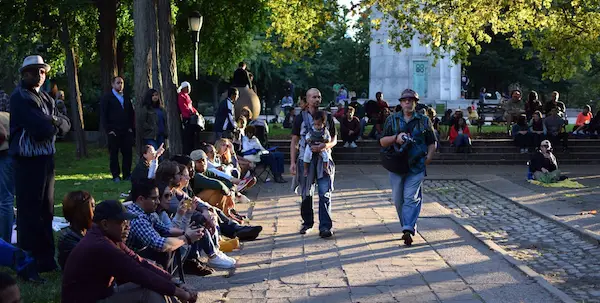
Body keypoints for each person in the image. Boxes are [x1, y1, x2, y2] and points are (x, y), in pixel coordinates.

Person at [61, 200, 198, 303]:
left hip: (101, 294)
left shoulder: (108, 238)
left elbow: (141, 263)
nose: (127, 225)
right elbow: (139, 273)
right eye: (122, 222)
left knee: (157, 285)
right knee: (148, 293)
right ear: (105, 224)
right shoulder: (102, 246)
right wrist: (179, 292)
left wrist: (176, 283)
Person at [10, 55, 70, 273]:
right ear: (24, 74)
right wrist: (53, 122)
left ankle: (46, 259)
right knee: (29, 212)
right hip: (27, 161)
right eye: (34, 71)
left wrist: (52, 122)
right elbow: (40, 130)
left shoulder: (46, 98)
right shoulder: (19, 97)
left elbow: (66, 124)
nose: (39, 75)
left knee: (47, 210)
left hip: (46, 160)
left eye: (42, 71)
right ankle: (28, 260)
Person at [379, 89, 436, 246]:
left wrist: (429, 157)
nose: (408, 102)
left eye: (411, 100)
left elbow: (432, 141)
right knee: (398, 200)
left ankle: (408, 229)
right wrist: (395, 138)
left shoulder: (424, 120)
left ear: (415, 103)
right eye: (405, 100)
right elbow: (382, 141)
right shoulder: (392, 120)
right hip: (396, 165)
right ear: (401, 102)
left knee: (411, 197)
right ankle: (407, 225)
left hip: (416, 165)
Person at [290, 88, 337, 238]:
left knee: (325, 193)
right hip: (306, 159)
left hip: (323, 159)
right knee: (306, 193)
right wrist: (292, 162)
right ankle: (307, 223)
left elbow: (334, 139)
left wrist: (325, 146)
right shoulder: (300, 118)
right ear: (307, 99)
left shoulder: (327, 117)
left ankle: (325, 226)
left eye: (319, 97)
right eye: (314, 97)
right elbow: (294, 141)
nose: (317, 99)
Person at [100, 76, 135, 182]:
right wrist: (109, 130)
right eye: (118, 83)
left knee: (127, 153)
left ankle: (127, 174)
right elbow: (103, 114)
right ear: (113, 84)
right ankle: (115, 175)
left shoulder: (126, 97)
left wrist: (131, 128)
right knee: (114, 154)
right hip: (113, 131)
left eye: (122, 83)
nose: (120, 85)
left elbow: (131, 113)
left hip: (126, 130)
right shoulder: (107, 98)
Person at [57, 191, 95, 270]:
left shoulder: (87, 232)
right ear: (83, 212)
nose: (95, 211)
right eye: (92, 206)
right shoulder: (69, 239)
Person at [302, 111, 332, 177]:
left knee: (326, 156)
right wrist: (308, 139)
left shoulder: (325, 131)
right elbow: (307, 135)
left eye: (318, 125)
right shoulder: (312, 130)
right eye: (315, 124)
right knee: (306, 155)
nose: (316, 126)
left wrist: (326, 141)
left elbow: (328, 137)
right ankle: (305, 169)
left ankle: (325, 167)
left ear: (323, 124)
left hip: (321, 145)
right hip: (312, 144)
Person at [177, 81, 200, 155]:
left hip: (191, 117)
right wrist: (191, 112)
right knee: (188, 136)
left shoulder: (187, 96)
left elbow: (190, 106)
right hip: (187, 117)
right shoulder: (181, 96)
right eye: (187, 87)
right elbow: (183, 106)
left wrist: (196, 112)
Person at [0, 111, 12, 243]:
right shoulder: (6, 115)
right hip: (14, 151)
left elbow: (1, 135)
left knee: (5, 199)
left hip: (5, 153)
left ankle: (5, 242)